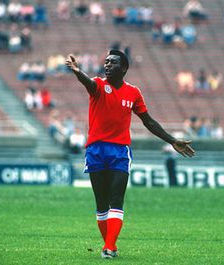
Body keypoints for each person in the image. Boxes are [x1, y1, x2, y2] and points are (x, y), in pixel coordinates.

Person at [65, 50, 195, 259]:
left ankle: (108, 248)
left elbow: (149, 121)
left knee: (116, 198)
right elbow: (88, 83)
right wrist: (77, 72)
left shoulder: (133, 93)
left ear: (123, 68)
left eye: (113, 62)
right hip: (96, 150)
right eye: (106, 61)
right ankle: (111, 246)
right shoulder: (98, 84)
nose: (107, 65)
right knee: (101, 202)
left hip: (120, 151)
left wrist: (172, 141)